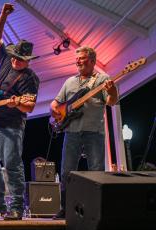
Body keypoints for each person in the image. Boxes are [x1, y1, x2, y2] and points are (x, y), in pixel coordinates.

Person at [0, 3, 39, 221]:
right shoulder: (6, 58)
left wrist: (17, 104)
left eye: (19, 59)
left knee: (12, 165)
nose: (14, 60)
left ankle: (16, 207)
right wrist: (3, 15)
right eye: (13, 56)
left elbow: (29, 106)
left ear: (27, 60)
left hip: (12, 125)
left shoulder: (30, 78)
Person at [50, 46, 119, 219]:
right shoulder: (69, 82)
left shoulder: (102, 79)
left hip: (94, 132)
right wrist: (55, 110)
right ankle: (65, 208)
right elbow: (56, 103)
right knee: (67, 172)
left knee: (96, 171)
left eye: (82, 58)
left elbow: (111, 101)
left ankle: (96, 209)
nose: (78, 61)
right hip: (71, 131)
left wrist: (112, 90)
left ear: (93, 61)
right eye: (77, 58)